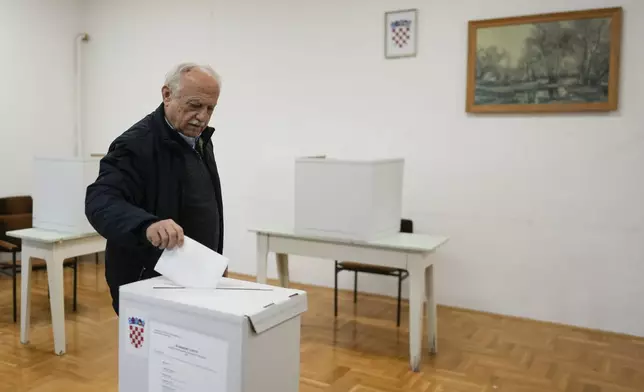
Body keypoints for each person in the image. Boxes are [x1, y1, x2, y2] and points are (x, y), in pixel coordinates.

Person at [85, 63, 226, 315]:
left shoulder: (200, 140)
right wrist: (146, 225)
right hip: (148, 286)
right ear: (167, 95)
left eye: (210, 108)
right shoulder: (136, 144)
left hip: (192, 279)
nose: (203, 116)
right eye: (195, 105)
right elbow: (100, 200)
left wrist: (213, 263)